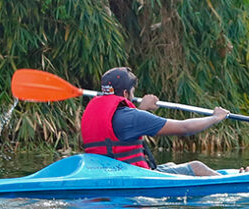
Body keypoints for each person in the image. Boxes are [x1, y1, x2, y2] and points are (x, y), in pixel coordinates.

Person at [80, 67, 232, 176]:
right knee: (197, 167)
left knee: (171, 165)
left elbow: (121, 131)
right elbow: (185, 128)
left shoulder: (92, 111)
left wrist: (142, 109)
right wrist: (215, 117)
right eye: (133, 91)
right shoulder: (133, 117)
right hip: (133, 175)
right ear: (126, 93)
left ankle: (225, 177)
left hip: (103, 173)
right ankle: (230, 182)